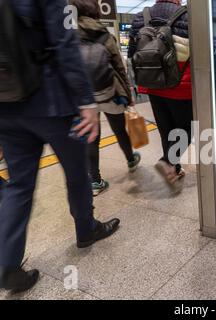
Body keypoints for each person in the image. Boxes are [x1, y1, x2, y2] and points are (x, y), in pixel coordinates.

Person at [0, 0, 120, 293]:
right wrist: (86, 100)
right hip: (54, 103)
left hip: (7, 105)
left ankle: (7, 265)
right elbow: (65, 42)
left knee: (18, 186)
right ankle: (86, 228)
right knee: (77, 171)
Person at [71, 0, 141, 196]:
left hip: (83, 97)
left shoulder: (68, 34)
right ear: (96, 12)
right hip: (109, 92)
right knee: (119, 129)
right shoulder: (104, 35)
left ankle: (95, 180)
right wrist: (129, 95)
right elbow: (119, 67)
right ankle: (131, 159)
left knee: (91, 137)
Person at [128, 0, 192, 187]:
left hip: (153, 83)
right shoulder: (187, 16)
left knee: (166, 129)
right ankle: (168, 161)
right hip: (181, 84)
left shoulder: (141, 17)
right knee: (187, 128)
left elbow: (133, 53)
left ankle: (175, 168)